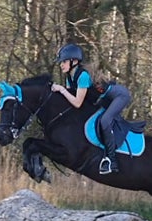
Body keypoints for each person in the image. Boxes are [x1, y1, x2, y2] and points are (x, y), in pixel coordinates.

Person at [50, 43, 131, 175]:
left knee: (105, 121)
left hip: (119, 96)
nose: (61, 64)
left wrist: (62, 90)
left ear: (74, 61)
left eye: (64, 61)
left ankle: (111, 161)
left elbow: (77, 103)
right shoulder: (70, 77)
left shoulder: (82, 76)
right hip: (104, 100)